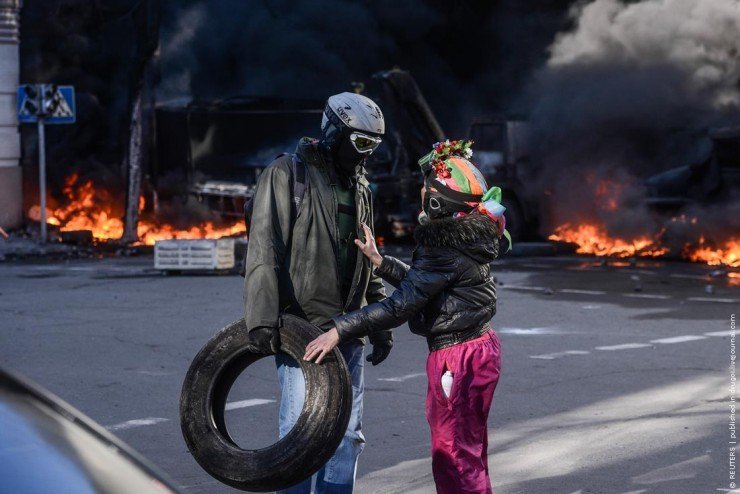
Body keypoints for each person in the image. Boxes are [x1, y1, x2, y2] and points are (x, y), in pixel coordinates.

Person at [304, 140, 506, 494]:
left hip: (456, 359)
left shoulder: (441, 246)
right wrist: (381, 262)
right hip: (481, 347)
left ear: (437, 201)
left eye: (425, 190)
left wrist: (340, 329)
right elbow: (427, 282)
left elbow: (401, 305)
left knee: (453, 452)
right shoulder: (471, 236)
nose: (421, 195)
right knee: (471, 447)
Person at [243, 92, 394, 494]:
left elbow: (368, 257)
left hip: (348, 332)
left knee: (347, 438)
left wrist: (379, 321)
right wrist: (261, 320)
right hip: (303, 332)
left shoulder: (361, 186)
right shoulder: (286, 174)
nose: (366, 155)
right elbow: (263, 249)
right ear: (334, 132)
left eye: (374, 146)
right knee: (300, 435)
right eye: (361, 143)